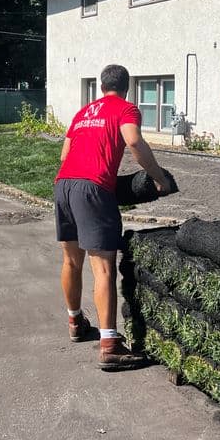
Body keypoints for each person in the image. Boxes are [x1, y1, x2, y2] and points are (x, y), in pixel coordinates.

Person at [54, 64, 170, 370]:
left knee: (70, 261)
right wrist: (157, 179)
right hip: (92, 190)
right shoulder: (126, 108)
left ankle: (76, 323)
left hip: (63, 185)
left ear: (101, 85)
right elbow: (133, 141)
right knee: (103, 267)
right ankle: (110, 345)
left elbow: (65, 156)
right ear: (127, 87)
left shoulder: (83, 113)